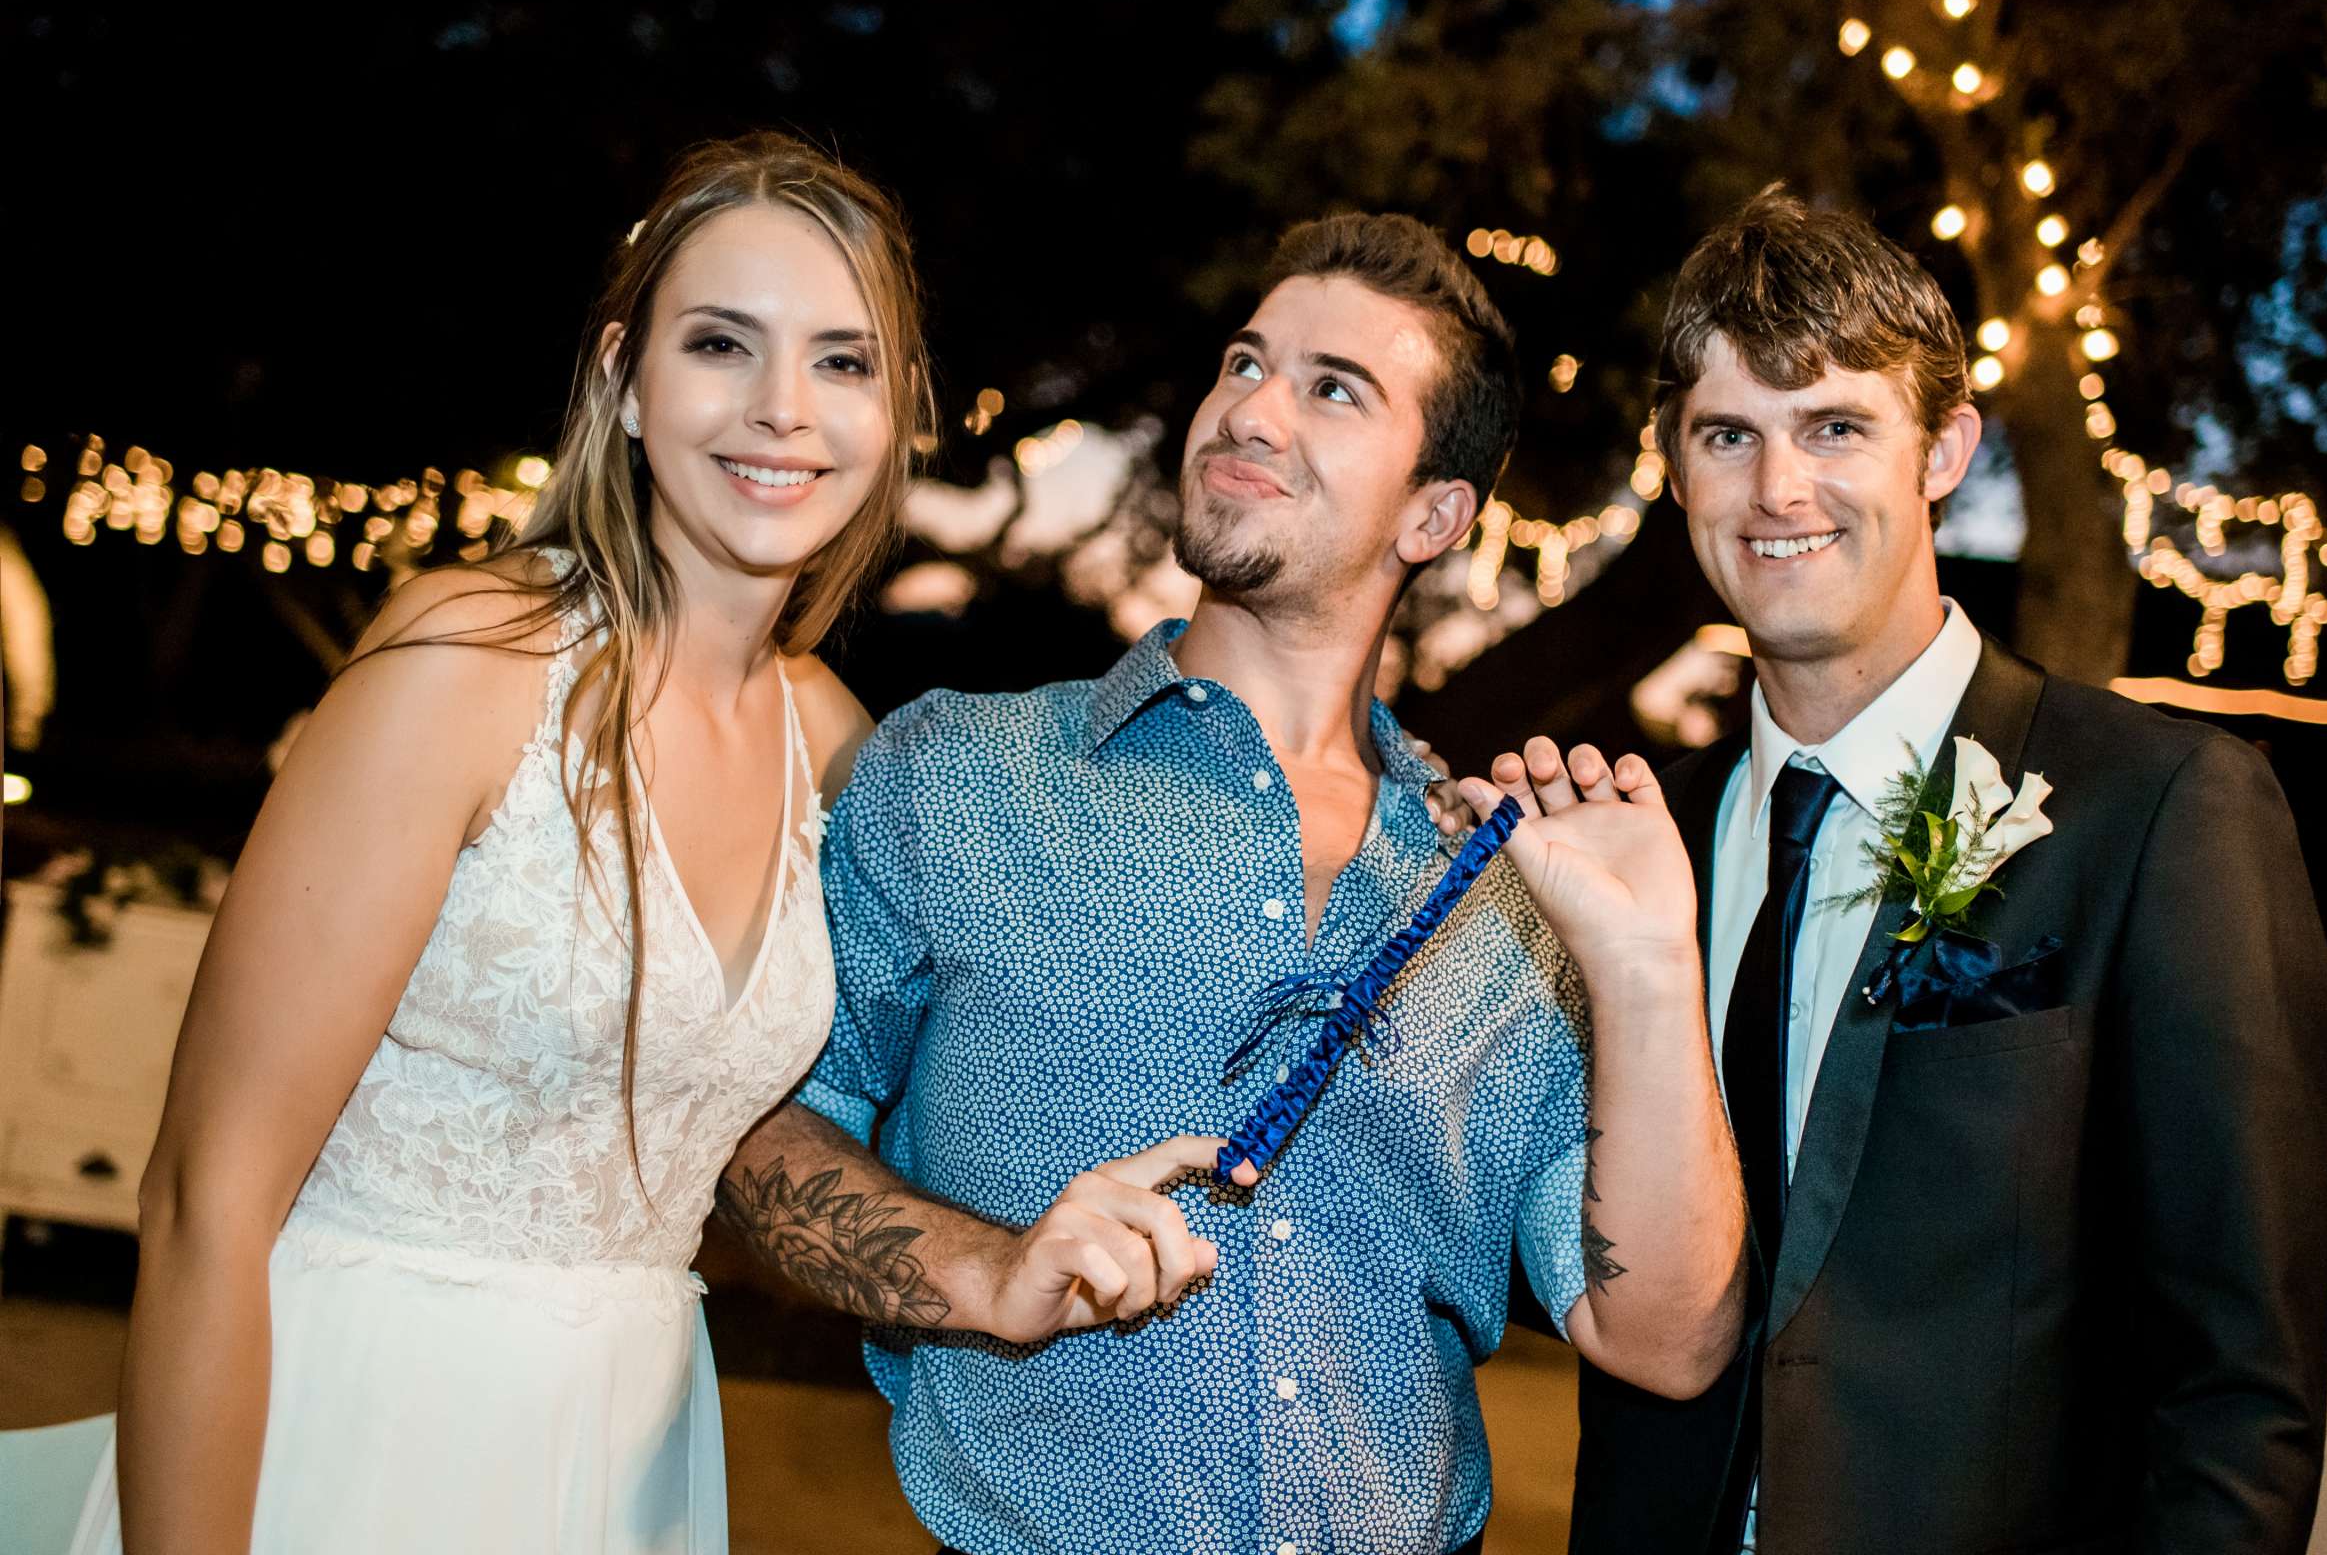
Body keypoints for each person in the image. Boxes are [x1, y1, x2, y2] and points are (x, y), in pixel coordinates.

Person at [717, 212, 1749, 1555]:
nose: (1252, 410)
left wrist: (1653, 968)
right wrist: (989, 1270)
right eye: (1243, 363)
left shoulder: (1508, 895)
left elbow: (1666, 1341)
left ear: (1434, 514)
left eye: (1333, 389)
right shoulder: (951, 775)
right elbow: (763, 1141)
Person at [82, 132, 936, 1555]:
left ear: (900, 410)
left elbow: (1035, 937)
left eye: (842, 362)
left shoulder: (835, 741)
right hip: (342, 1425)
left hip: (626, 1452)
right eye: (722, 344)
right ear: (624, 382)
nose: (782, 409)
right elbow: (203, 1200)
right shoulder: (470, 662)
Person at [1557, 186, 2327, 1553]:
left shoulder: (2158, 812)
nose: (1776, 490)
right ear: (1676, 470)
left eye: (1835, 428)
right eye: (1726, 436)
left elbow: (2237, 1385)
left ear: (1945, 449)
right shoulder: (1644, 848)